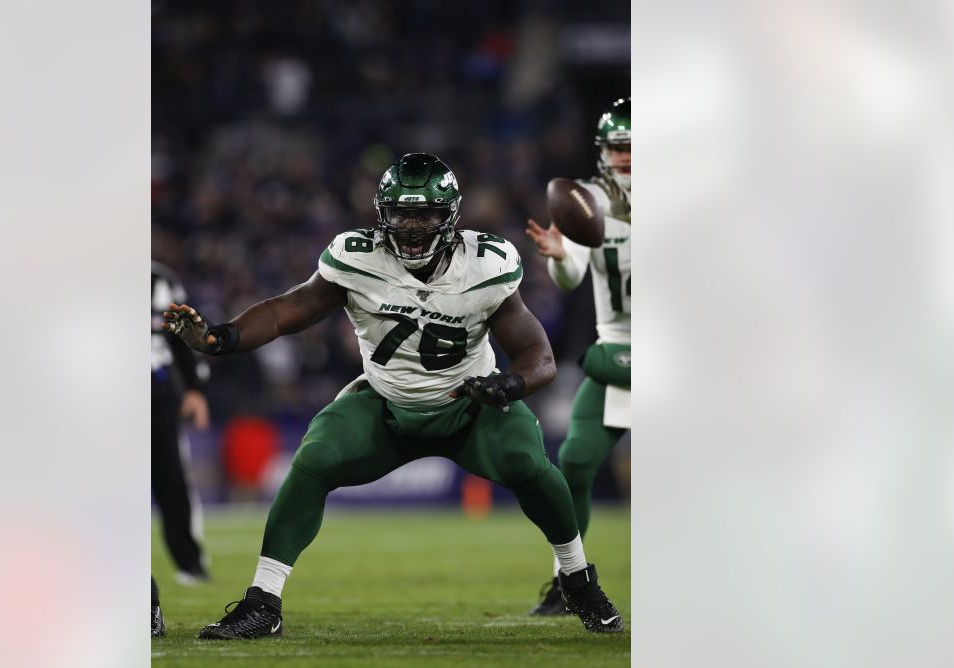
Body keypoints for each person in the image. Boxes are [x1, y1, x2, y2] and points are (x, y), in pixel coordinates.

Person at [165, 153, 625, 639]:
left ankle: (576, 579)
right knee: (314, 459)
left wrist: (507, 384)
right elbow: (288, 310)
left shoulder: (485, 263)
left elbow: (539, 355)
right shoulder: (357, 255)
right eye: (402, 212)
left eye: (425, 213)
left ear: (449, 215)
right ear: (383, 212)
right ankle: (263, 602)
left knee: (531, 466)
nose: (411, 225)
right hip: (385, 403)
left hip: (469, 405)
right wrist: (222, 338)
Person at [523, 98, 632, 615]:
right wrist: (562, 256)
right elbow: (572, 277)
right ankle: (569, 583)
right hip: (617, 348)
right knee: (575, 461)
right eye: (618, 146)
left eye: (634, 147)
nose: (626, 157)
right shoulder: (592, 202)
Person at [152, 261, 212, 584]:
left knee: (173, 480)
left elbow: (186, 336)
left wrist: (194, 389)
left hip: (158, 396)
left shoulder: (159, 279)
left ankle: (190, 564)